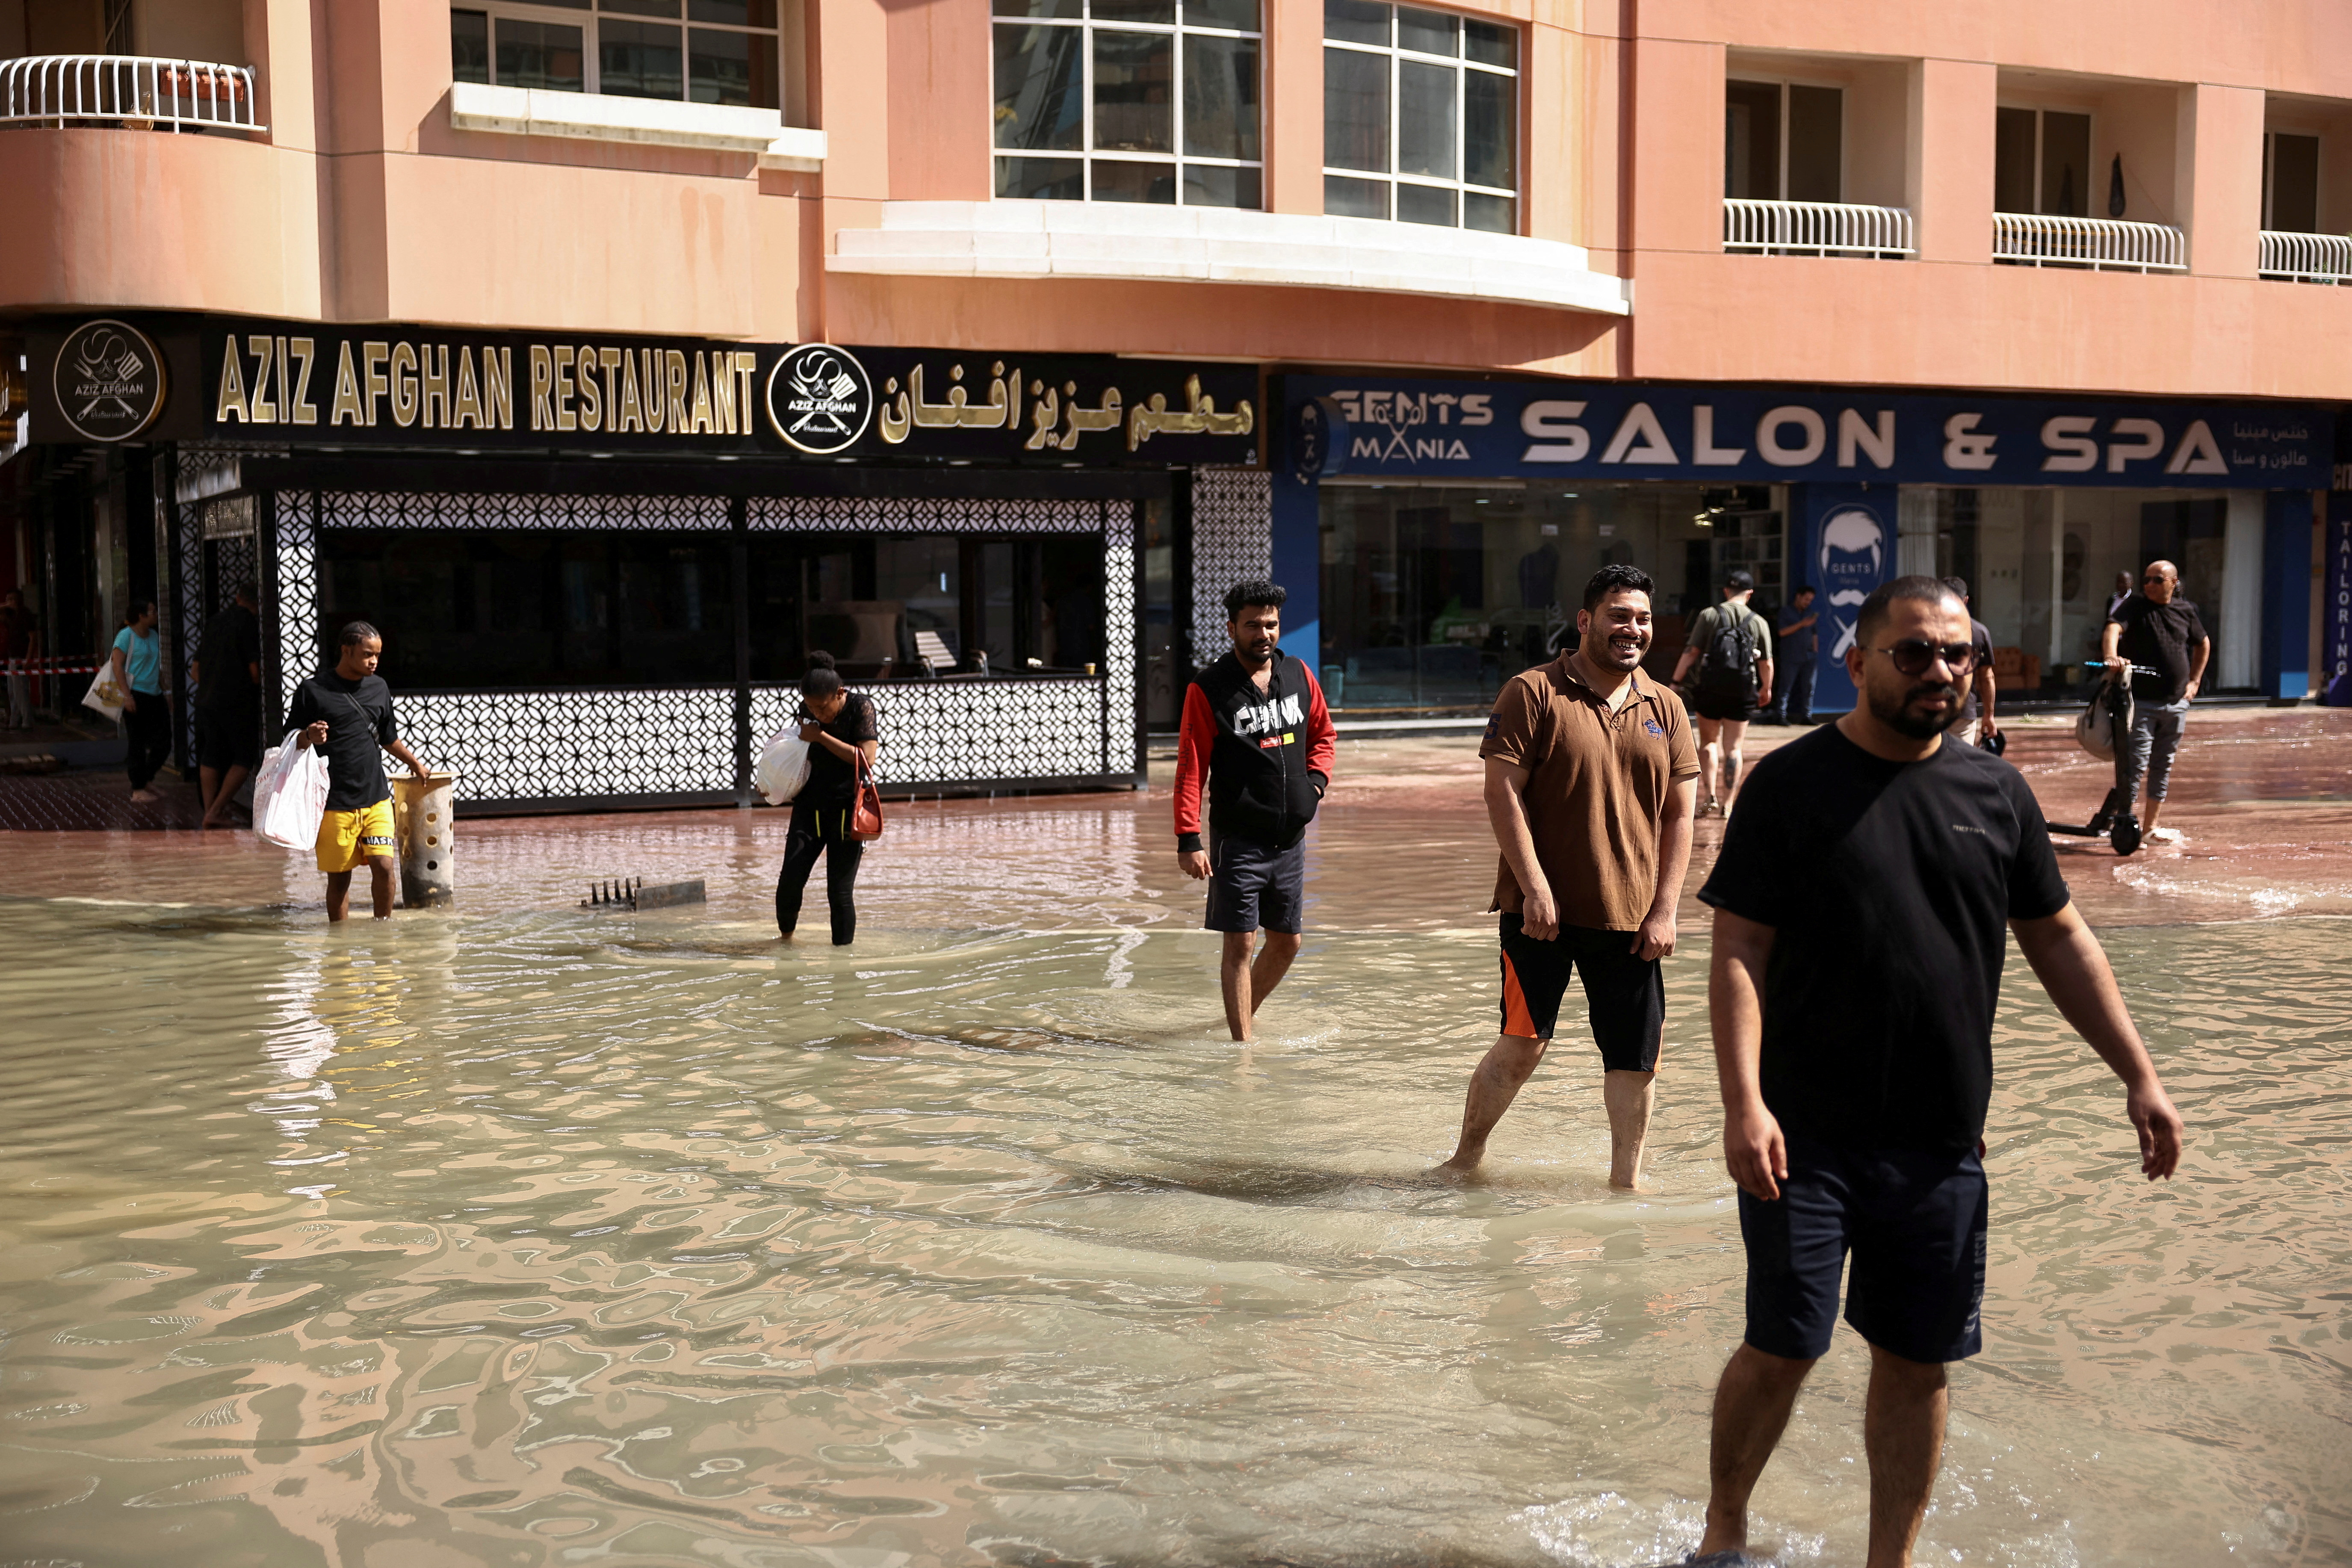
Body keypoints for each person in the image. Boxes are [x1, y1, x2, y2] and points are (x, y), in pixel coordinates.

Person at [1689, 576, 2184, 1568]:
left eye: (1957, 653)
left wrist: (2138, 1073)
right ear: (1857, 662)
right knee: (1784, 1343)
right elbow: (1739, 946)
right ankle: (1723, 1529)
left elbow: (2060, 940)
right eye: (1913, 651)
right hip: (1801, 1136)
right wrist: (1741, 1103)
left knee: (1917, 1361)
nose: (1940, 670)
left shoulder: (1993, 793)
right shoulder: (1789, 785)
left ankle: (1891, 1560)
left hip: (1939, 1141)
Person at [1441, 564, 1700, 1188]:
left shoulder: (1666, 705)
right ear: (1586, 620)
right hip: (1540, 915)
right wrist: (1534, 887)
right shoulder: (1532, 691)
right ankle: (1463, 1161)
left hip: (1633, 916)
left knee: (1636, 1060)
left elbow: (1680, 815)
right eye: (1618, 615)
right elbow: (1501, 792)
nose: (1632, 629)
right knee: (1522, 1045)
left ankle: (1624, 1187)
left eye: (1642, 618)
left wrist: (1666, 910)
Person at [1174, 580, 1338, 1043]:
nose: (1263, 634)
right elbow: (1190, 767)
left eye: (1271, 624)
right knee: (1241, 943)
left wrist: (1316, 785)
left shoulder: (1299, 675)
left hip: (1290, 840)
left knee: (1287, 942)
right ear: (1231, 628)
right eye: (1252, 625)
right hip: (1238, 839)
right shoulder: (1208, 688)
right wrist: (1189, 838)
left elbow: (1323, 735)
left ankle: (1238, 1019)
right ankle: (1241, 1051)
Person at [289, 621, 432, 922]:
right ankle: (339, 942)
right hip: (333, 803)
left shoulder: (379, 687)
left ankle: (384, 932)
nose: (374, 661)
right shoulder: (312, 690)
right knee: (340, 879)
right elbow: (289, 741)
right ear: (346, 650)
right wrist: (309, 735)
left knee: (384, 866)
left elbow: (388, 737)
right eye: (368, 654)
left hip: (376, 798)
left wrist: (414, 762)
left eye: (377, 655)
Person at [775, 651, 879, 945]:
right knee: (790, 880)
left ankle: (843, 959)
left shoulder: (861, 707)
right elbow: (799, 754)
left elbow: (867, 758)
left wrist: (821, 736)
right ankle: (785, 944)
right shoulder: (806, 709)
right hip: (810, 806)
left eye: (822, 707)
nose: (817, 713)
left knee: (840, 891)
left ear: (840, 693)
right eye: (810, 707)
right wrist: (774, 782)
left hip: (847, 809)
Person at [2103, 560, 2208, 846]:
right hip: (2141, 703)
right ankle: (2125, 824)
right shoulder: (2135, 606)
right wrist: (2112, 655)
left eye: (2157, 580)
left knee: (2163, 765)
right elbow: (2113, 628)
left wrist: (2195, 681)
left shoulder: (2185, 610)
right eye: (2147, 579)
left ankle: (2150, 828)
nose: (2149, 584)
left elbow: (2203, 643)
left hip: (2176, 704)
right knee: (2135, 765)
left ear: (2173, 583)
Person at [1672, 569, 1773, 816]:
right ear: (1750, 593)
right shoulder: (1758, 622)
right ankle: (1728, 805)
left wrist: (1676, 681)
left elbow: (1691, 652)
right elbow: (1767, 663)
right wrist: (1766, 688)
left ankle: (1710, 797)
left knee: (1708, 743)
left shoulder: (1709, 615)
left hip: (1710, 688)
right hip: (1742, 691)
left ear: (1726, 591)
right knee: (1734, 748)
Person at [192, 580, 263, 827]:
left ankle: (209, 811)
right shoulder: (250, 624)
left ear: (237, 597)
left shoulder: (214, 622)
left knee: (211, 755)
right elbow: (255, 672)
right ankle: (216, 810)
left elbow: (195, 671)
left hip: (207, 701)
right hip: (237, 702)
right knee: (244, 757)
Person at [111, 601, 171, 803]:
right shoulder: (126, 636)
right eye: (153, 612)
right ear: (141, 615)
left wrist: (166, 690)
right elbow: (117, 666)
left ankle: (146, 779)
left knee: (164, 742)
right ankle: (138, 788)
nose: (156, 614)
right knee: (137, 742)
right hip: (135, 694)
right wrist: (127, 696)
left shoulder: (154, 635)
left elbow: (156, 665)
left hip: (155, 694)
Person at [1940, 576, 1998, 751]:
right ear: (1965, 600)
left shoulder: (1925, 628)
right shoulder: (1979, 631)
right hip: (1963, 711)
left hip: (1930, 707)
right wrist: (1989, 715)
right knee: (1960, 762)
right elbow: (1987, 677)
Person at [1761, 585, 1817, 726]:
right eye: (1806, 599)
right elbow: (1782, 632)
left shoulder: (1810, 613)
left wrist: (1815, 651)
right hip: (1791, 656)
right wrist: (1802, 624)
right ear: (1798, 596)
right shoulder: (1786, 612)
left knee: (1809, 688)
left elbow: (1814, 634)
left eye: (1811, 600)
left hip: (1809, 657)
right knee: (1786, 687)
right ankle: (1781, 715)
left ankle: (1807, 716)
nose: (1808, 603)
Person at [0, 588, 37, 730]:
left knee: (21, 691)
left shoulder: (25, 615)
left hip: (21, 657)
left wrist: (28, 658)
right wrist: (6, 606)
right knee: (12, 692)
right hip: (12, 657)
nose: (9, 602)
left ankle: (27, 720)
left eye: (11, 600)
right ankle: (14, 720)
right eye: (7, 599)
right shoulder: (11, 615)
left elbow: (33, 638)